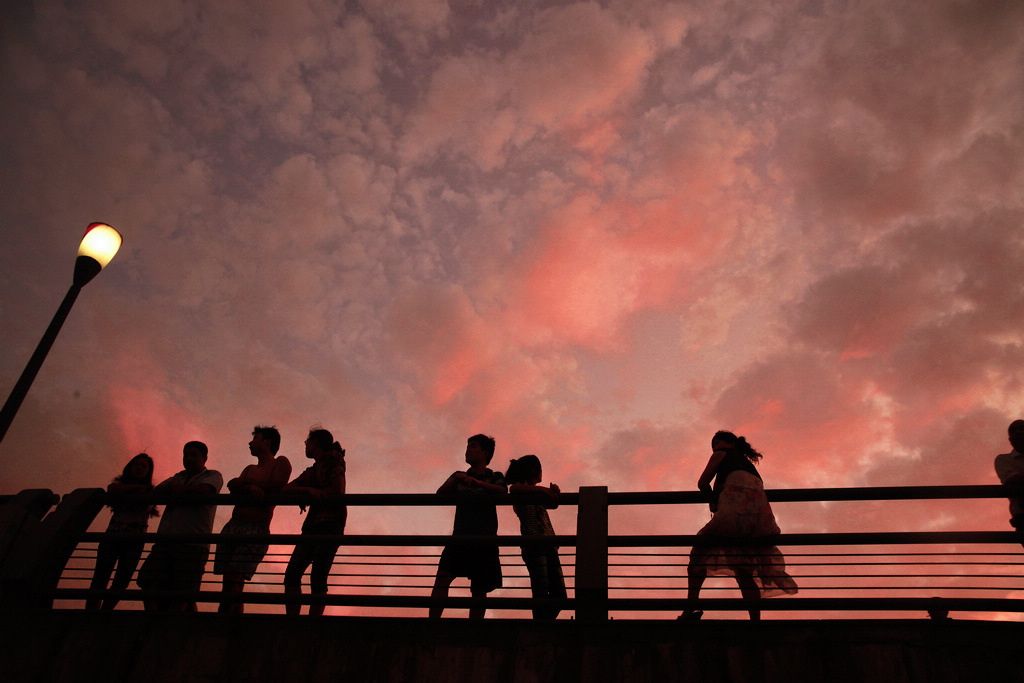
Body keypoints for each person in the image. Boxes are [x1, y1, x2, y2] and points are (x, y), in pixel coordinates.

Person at [682, 430, 797, 621]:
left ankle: (690, 607)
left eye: (714, 445)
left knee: (699, 552)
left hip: (735, 511)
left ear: (721, 444)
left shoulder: (721, 454)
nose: (714, 449)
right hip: (760, 517)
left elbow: (702, 483)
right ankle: (755, 620)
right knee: (743, 569)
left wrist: (712, 500)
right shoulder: (748, 465)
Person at [137, 441, 223, 612]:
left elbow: (206, 491)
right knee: (149, 580)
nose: (189, 458)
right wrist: (173, 487)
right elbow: (156, 493)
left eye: (194, 455)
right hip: (165, 541)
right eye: (186, 454)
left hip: (193, 544)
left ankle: (171, 628)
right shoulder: (177, 477)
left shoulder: (213, 475)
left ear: (204, 458)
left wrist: (179, 490)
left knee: (184, 591)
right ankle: (153, 621)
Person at [214, 425, 291, 614]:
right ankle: (232, 626)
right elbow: (233, 485)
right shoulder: (249, 469)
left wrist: (247, 484)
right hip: (233, 526)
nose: (250, 442)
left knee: (234, 576)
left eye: (255, 438)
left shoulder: (280, 462)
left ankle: (221, 622)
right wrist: (249, 487)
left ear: (267, 441)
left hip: (256, 527)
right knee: (231, 582)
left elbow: (277, 485)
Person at [429, 434, 507, 619]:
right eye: (468, 446)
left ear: (485, 452)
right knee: (442, 578)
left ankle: (474, 629)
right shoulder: (459, 476)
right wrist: (456, 480)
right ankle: (431, 624)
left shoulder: (495, 476)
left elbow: (502, 491)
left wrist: (478, 483)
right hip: (460, 536)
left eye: (473, 446)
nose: (468, 450)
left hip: (484, 539)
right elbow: (440, 494)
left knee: (480, 588)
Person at [282, 428, 347, 616]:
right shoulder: (312, 470)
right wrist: (308, 491)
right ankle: (296, 622)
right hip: (313, 524)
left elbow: (338, 490)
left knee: (317, 576)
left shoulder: (333, 458)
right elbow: (286, 489)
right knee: (293, 574)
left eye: (307, 441)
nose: (305, 445)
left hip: (331, 522)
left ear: (315, 442)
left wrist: (315, 492)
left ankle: (312, 624)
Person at [87, 453, 158, 611]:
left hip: (135, 539)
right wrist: (136, 487)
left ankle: (105, 611)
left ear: (149, 471)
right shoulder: (119, 486)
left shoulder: (150, 491)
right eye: (137, 464)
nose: (139, 468)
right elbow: (112, 489)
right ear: (130, 467)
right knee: (100, 576)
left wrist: (135, 490)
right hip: (113, 535)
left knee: (123, 579)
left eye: (144, 466)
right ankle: (91, 614)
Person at [506, 454, 566, 620]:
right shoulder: (522, 488)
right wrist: (544, 490)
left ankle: (542, 624)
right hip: (534, 544)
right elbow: (514, 489)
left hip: (549, 543)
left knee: (559, 595)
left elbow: (553, 505)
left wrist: (553, 493)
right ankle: (541, 628)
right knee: (541, 589)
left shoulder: (535, 492)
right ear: (534, 469)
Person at [993, 419, 1024, 543]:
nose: (1018, 432)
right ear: (1010, 440)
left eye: (1022, 428)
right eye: (1013, 430)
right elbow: (1012, 481)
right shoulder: (1003, 460)